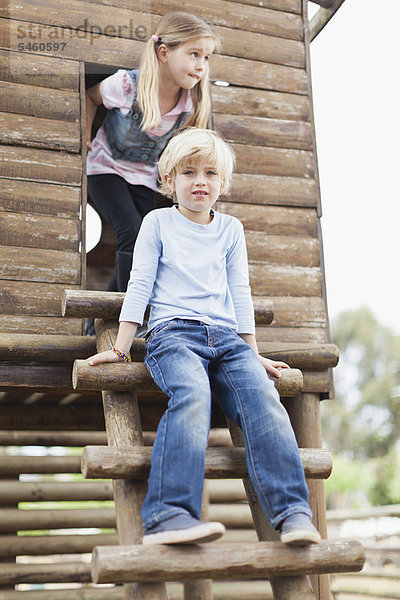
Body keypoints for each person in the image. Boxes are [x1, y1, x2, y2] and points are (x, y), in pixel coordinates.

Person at [87, 128, 321, 547]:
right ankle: (168, 515)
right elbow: (138, 284)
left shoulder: (231, 229)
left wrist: (253, 356)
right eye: (188, 172)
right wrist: (121, 348)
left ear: (222, 183)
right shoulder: (157, 222)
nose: (200, 181)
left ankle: (293, 514)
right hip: (172, 335)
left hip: (228, 340)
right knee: (193, 394)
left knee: (265, 400)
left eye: (210, 173)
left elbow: (240, 292)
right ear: (169, 181)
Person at [85, 12, 220, 301]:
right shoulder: (126, 85)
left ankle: (104, 313)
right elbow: (91, 96)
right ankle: (126, 312)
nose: (201, 65)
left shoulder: (187, 104)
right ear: (163, 53)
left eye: (206, 58)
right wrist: (83, 137)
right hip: (105, 167)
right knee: (131, 233)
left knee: (150, 242)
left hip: (143, 178)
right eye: (194, 54)